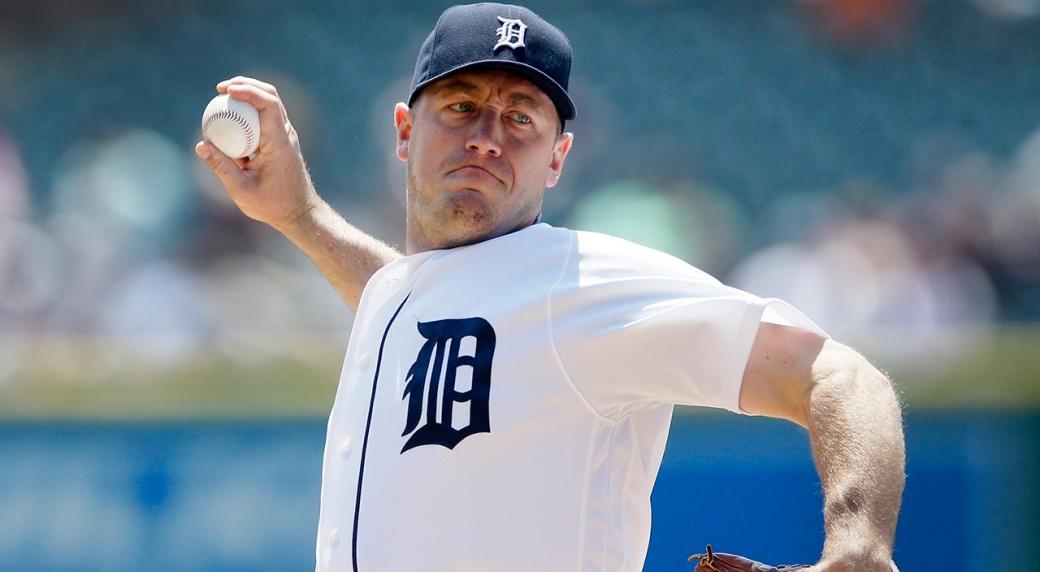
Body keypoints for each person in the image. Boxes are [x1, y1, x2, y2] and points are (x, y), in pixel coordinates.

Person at [195, 4, 905, 571]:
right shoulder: (412, 297)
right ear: (405, 131)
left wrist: (858, 543)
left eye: (521, 118)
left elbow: (841, 376)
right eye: (461, 106)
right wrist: (300, 216)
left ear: (558, 157)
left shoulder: (582, 283)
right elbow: (422, 309)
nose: (487, 137)